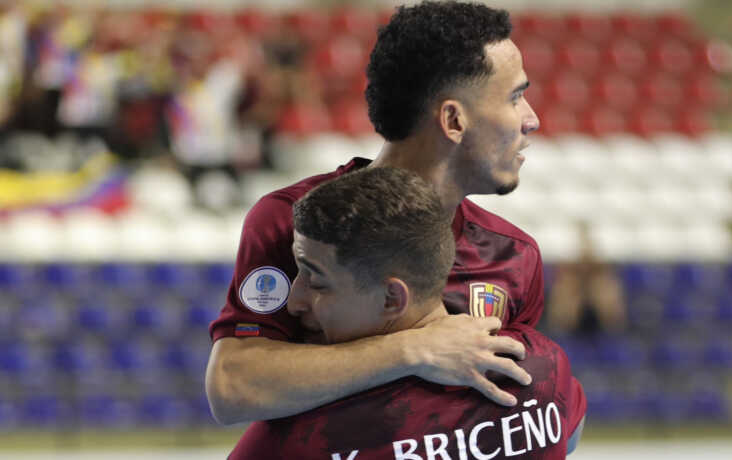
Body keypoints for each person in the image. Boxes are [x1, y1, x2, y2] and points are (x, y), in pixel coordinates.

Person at [206, 0, 543, 424]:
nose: (531, 120)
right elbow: (233, 386)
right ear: (453, 120)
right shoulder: (291, 220)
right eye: (515, 98)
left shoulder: (515, 257)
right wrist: (413, 351)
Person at [228, 167, 586, 459]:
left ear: (391, 299)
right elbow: (569, 434)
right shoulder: (545, 367)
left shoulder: (307, 433)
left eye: (317, 281)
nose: (294, 301)